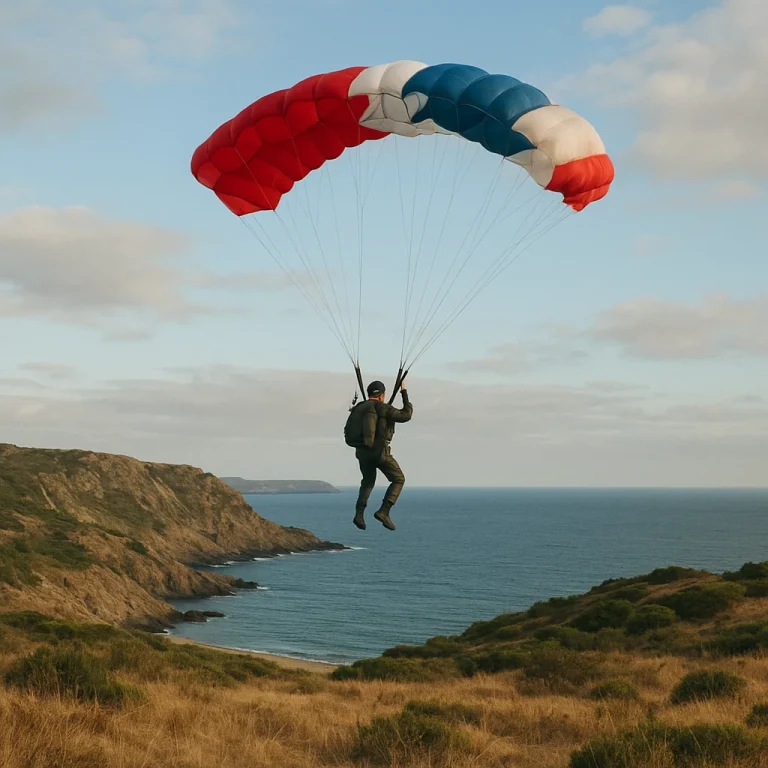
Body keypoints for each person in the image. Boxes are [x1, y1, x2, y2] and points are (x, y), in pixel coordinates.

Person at [351, 379, 412, 531]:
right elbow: (406, 415)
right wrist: (404, 392)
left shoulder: (359, 407)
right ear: (382, 395)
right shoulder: (383, 408)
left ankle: (359, 514)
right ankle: (384, 511)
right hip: (380, 452)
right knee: (399, 479)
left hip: (362, 453)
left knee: (368, 481)